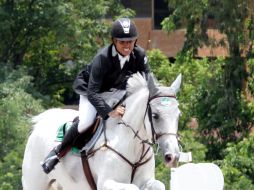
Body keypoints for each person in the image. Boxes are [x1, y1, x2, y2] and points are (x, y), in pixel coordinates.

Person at [41, 17, 150, 174]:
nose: (127, 46)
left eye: (130, 42)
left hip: (116, 91)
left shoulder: (139, 54)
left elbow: (148, 80)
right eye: (122, 42)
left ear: (135, 41)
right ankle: (57, 153)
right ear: (113, 41)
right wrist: (109, 111)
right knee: (85, 122)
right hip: (91, 90)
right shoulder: (102, 58)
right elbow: (92, 92)